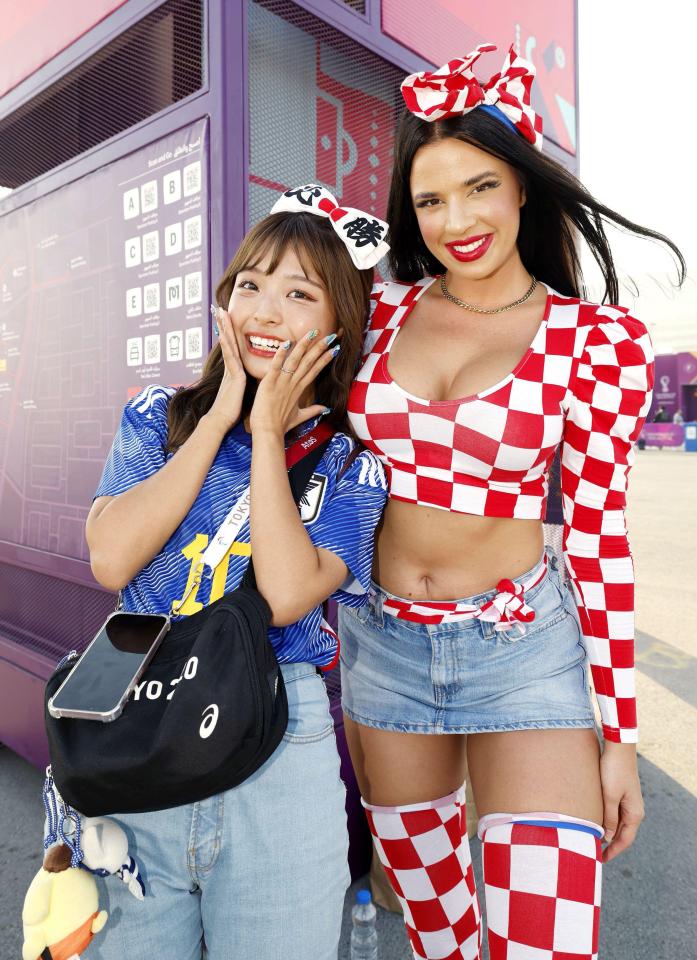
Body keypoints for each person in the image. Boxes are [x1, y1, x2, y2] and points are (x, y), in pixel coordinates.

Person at [338, 44, 685, 959]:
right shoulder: (379, 316)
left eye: (480, 187)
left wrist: (618, 739)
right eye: (430, 199)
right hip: (383, 651)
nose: (457, 219)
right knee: (438, 938)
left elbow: (600, 542)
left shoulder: (594, 341)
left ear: (523, 187)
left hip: (522, 655)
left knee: (545, 941)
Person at [82, 193, 388, 960]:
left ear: (338, 322)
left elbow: (287, 595)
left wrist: (262, 433)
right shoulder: (159, 418)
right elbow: (111, 559)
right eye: (250, 284)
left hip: (277, 743)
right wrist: (218, 417)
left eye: (298, 293)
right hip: (136, 723)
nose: (265, 310)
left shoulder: (352, 466)